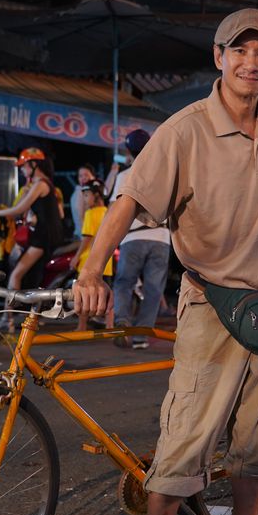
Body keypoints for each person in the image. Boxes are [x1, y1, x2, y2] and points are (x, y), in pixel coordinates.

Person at [73, 8, 258, 515]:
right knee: (183, 445)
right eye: (241, 51)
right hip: (210, 305)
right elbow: (129, 202)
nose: (252, 63)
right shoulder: (184, 130)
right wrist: (92, 271)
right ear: (218, 56)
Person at [0, 147, 65, 331]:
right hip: (41, 236)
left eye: (24, 166)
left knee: (16, 274)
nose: (21, 169)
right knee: (28, 277)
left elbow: (19, 209)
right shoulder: (41, 184)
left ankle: (7, 319)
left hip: (42, 239)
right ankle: (21, 318)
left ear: (34, 165)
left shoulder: (40, 184)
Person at [109, 128, 171, 350]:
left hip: (133, 237)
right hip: (161, 237)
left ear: (129, 151)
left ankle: (122, 321)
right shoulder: (165, 175)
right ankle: (141, 336)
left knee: (124, 283)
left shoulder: (124, 176)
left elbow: (116, 210)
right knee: (154, 289)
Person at [69, 179, 113, 331]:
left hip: (89, 262)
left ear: (96, 195)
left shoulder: (90, 213)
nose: (85, 199)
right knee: (107, 294)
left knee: (83, 294)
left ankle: (81, 326)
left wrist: (76, 257)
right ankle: (109, 325)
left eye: (87, 195)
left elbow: (86, 238)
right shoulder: (108, 212)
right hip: (107, 262)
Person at [68, 164, 96, 239]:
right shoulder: (81, 192)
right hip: (84, 235)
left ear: (93, 177)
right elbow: (81, 216)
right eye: (80, 176)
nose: (83, 178)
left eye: (86, 175)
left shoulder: (85, 191)